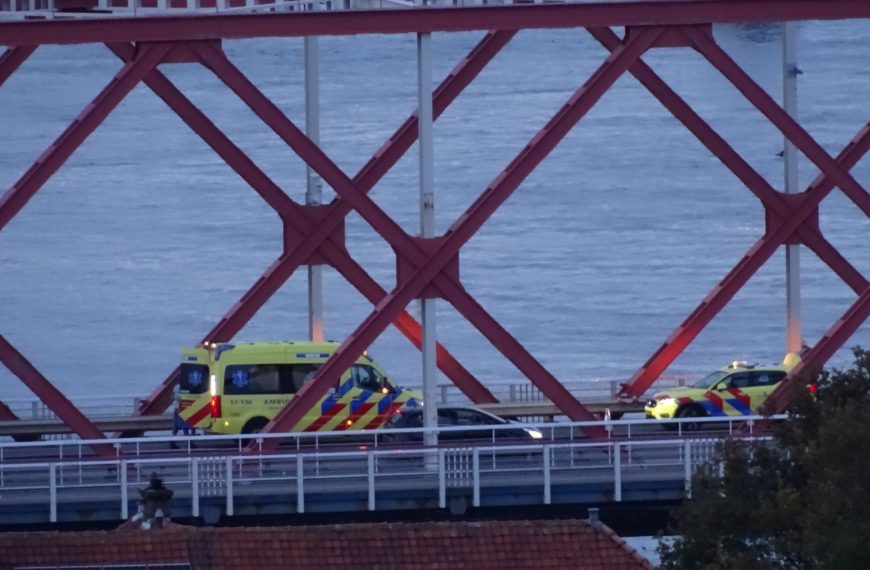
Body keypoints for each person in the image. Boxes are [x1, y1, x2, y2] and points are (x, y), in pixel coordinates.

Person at [170, 383, 192, 449]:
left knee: (175, 428)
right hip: (182, 409)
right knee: (186, 427)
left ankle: (172, 443)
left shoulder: (175, 387)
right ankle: (189, 444)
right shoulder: (185, 386)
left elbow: (172, 397)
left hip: (176, 409)